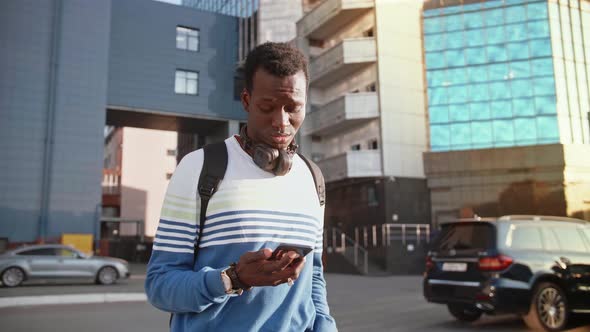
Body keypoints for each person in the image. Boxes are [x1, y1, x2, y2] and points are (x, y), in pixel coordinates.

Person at [145, 42, 337, 332]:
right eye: (267, 107)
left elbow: (314, 279)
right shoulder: (199, 168)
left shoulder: (312, 177)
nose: (281, 121)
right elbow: (160, 285)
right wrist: (233, 278)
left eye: (293, 108)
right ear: (246, 101)